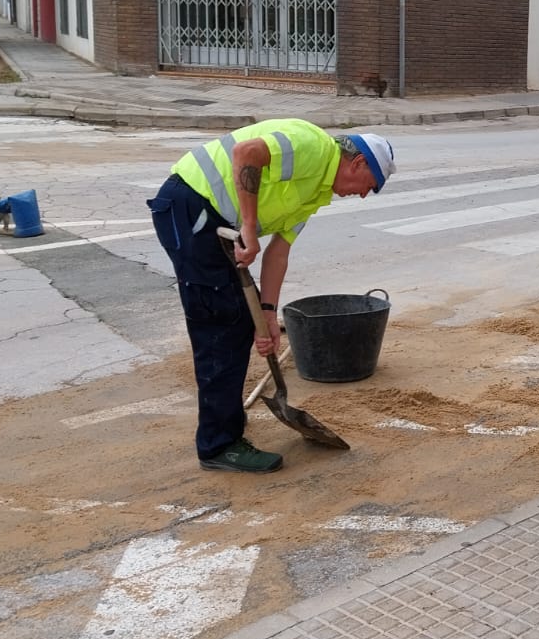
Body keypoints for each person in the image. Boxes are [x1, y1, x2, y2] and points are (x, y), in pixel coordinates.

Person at [147, 122, 395, 473]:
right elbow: (246, 153)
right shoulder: (313, 146)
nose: (363, 195)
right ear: (357, 164)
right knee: (220, 325)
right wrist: (249, 225)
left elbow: (279, 252)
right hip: (191, 205)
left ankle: (224, 420)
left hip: (209, 216)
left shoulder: (316, 192)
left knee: (238, 320)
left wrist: (267, 312)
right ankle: (219, 445)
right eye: (370, 187)